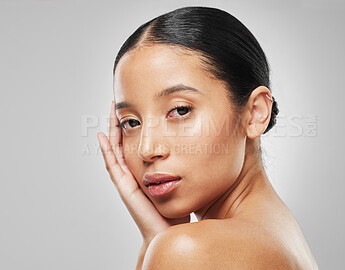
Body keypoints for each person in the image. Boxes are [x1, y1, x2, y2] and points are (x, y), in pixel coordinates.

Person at [97, 6, 319, 270]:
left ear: (255, 114)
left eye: (180, 110)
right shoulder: (281, 236)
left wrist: (161, 248)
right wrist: (154, 239)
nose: (147, 149)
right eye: (131, 122)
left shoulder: (188, 251)